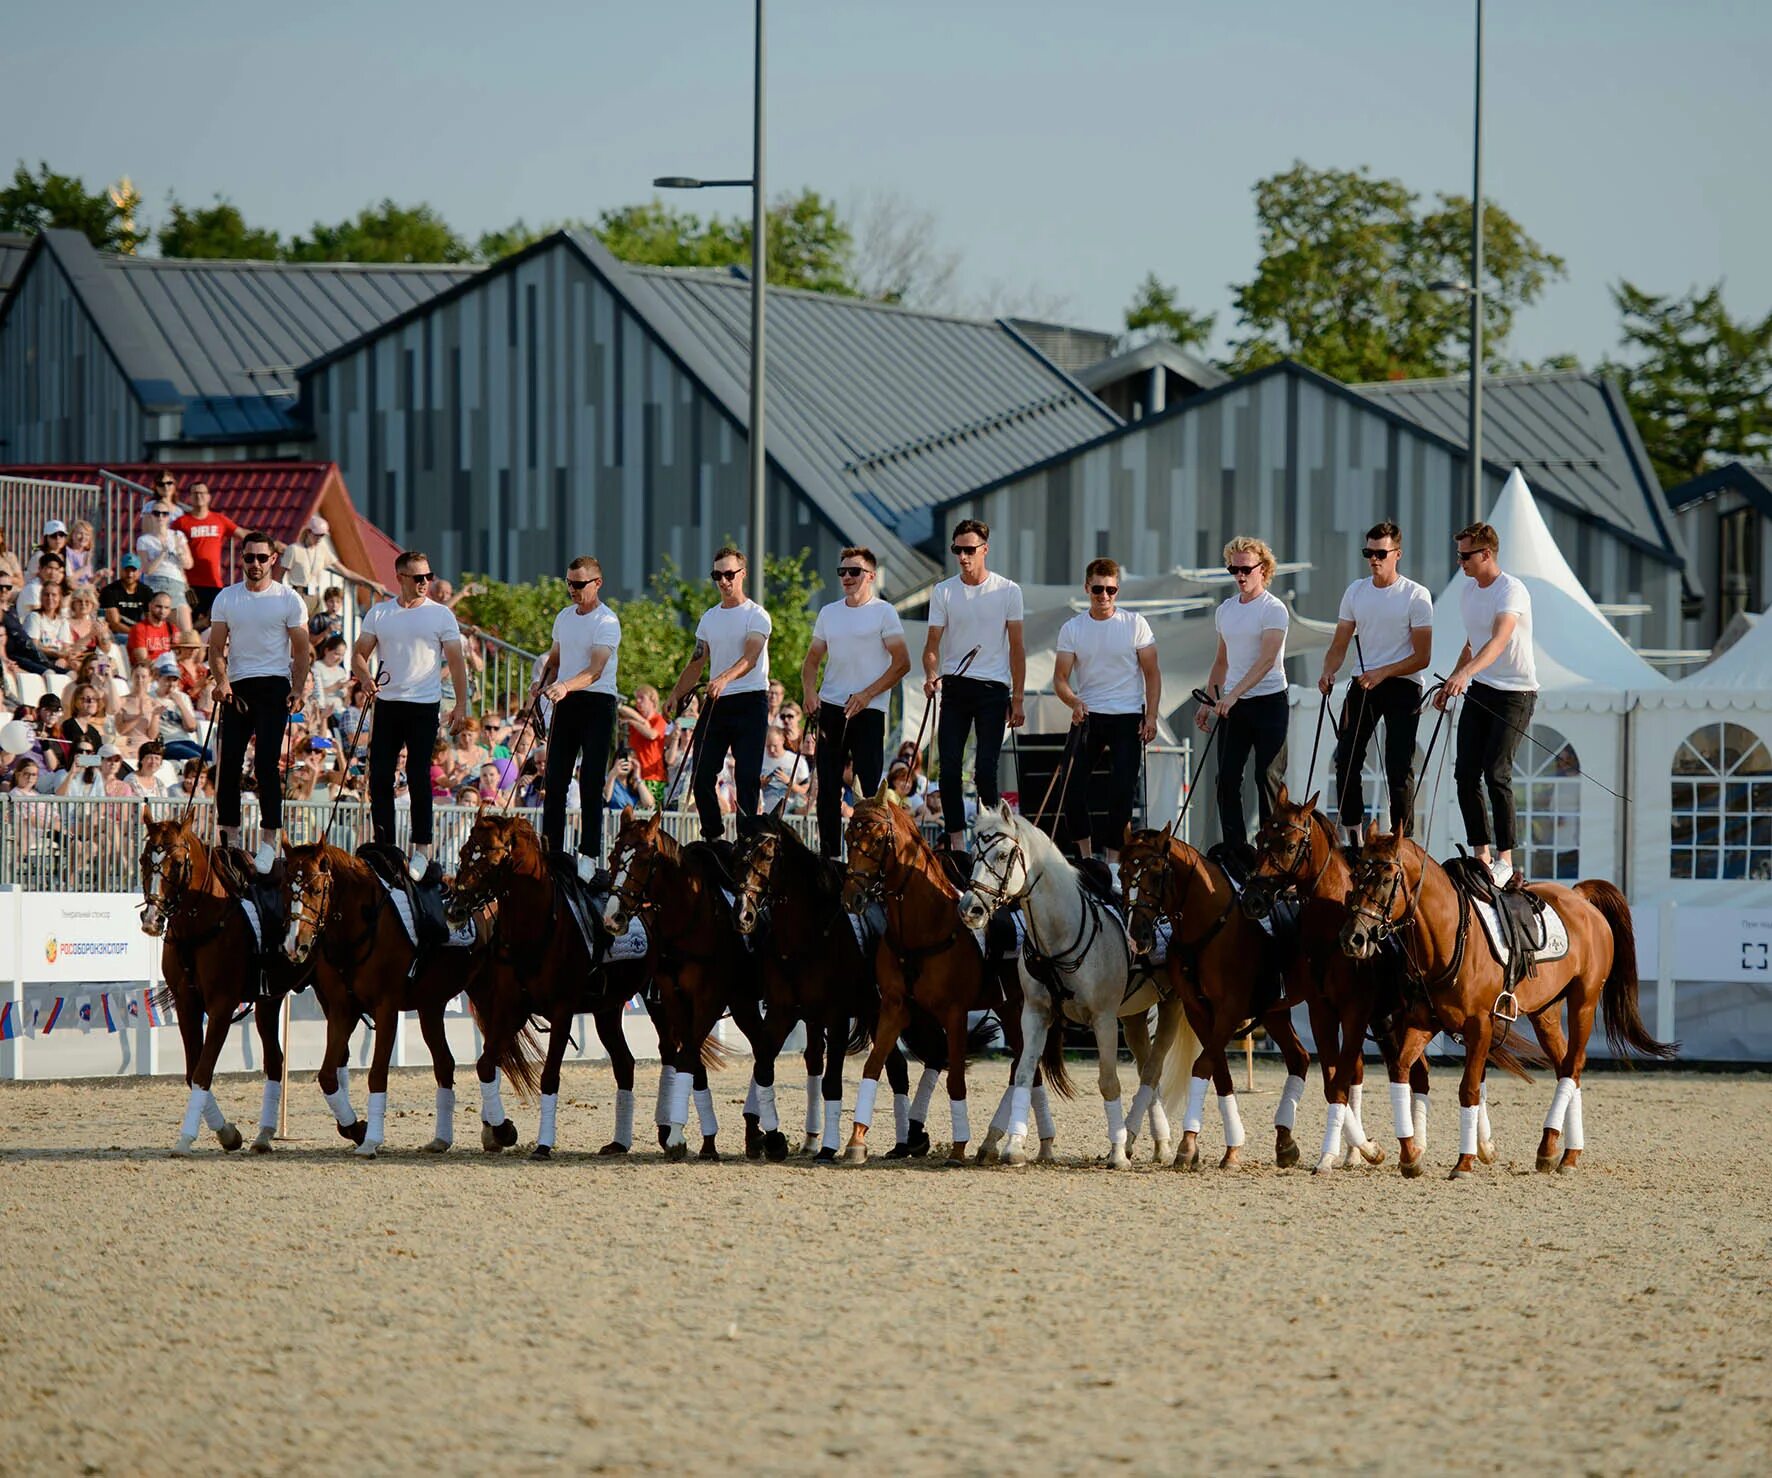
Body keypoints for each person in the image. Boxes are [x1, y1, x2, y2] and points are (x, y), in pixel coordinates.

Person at [354, 549, 469, 880]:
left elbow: (457, 662)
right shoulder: (380, 613)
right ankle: (384, 846)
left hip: (424, 704)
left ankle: (422, 849)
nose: (425, 583)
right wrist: (364, 677)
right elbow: (359, 655)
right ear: (401, 578)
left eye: (429, 577)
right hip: (388, 702)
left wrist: (459, 705)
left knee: (419, 774)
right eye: (418, 577)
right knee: (379, 776)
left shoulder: (440, 614)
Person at [1318, 521, 1434, 845]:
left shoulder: (1415, 595)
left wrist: (1383, 672)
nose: (1374, 559)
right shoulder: (1356, 591)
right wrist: (1328, 672)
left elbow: (1423, 657)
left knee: (1398, 766)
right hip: (1364, 682)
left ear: (1397, 554)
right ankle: (1353, 836)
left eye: (1381, 553)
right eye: (1368, 552)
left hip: (1403, 682)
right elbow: (1339, 645)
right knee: (1346, 759)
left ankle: (1402, 841)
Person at [1437, 521, 1539, 886]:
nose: (1460, 562)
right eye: (1458, 555)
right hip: (1481, 687)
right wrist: (1453, 678)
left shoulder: (1511, 590)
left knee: (1497, 771)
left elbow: (1497, 641)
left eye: (1465, 556)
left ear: (1486, 554)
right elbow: (1472, 643)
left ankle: (1505, 859)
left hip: (1516, 692)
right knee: (1465, 773)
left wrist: (1465, 675)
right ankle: (1480, 854)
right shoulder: (1468, 592)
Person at [209, 530, 312, 873]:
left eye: (261, 558)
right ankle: (230, 840)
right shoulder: (226, 597)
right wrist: (221, 682)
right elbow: (216, 648)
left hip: (274, 686)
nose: (255, 564)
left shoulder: (288, 599)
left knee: (267, 764)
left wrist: (297, 690)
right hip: (238, 687)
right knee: (228, 766)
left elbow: (300, 650)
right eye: (249, 557)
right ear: (242, 560)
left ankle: (270, 841)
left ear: (273, 560)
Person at [922, 518, 1025, 849]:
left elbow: (1017, 647)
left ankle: (993, 838)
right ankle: (956, 844)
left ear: (985, 550)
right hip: (955, 685)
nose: (963, 557)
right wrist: (929, 674)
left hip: (994, 689)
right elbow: (932, 645)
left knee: (984, 770)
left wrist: (1019, 698)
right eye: (957, 550)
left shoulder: (1008, 590)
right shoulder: (944, 591)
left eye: (969, 550)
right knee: (948, 768)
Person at [801, 545, 912, 855]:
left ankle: (866, 857)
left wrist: (867, 694)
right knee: (827, 787)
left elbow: (902, 663)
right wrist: (810, 693)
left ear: (871, 576)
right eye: (842, 571)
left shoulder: (884, 611)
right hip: (832, 706)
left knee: (866, 790)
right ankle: (829, 858)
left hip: (869, 708)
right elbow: (811, 662)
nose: (847, 577)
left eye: (854, 571)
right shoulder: (829, 612)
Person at [1052, 557, 1160, 867]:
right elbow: (1060, 678)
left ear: (1117, 590)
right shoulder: (1073, 628)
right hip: (1089, 714)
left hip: (1127, 715)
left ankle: (1113, 864)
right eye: (1098, 589)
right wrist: (1074, 701)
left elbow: (1152, 673)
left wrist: (1151, 716)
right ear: (1087, 588)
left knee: (1121, 792)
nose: (1104, 596)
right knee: (1071, 787)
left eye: (1110, 590)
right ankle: (1085, 859)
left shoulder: (1135, 623)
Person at [665, 545, 772, 842]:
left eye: (729, 574)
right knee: (700, 776)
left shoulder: (757, 615)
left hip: (750, 700)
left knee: (747, 777)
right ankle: (714, 838)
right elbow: (697, 662)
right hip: (717, 703)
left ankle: (747, 841)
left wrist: (724, 677)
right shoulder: (710, 618)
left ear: (742, 574)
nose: (723, 581)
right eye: (717, 575)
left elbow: (751, 657)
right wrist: (676, 694)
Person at [531, 554, 621, 878]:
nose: (572, 589)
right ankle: (552, 851)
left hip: (596, 702)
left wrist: (564, 686)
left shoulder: (607, 621)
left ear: (597, 583)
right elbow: (555, 658)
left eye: (579, 584)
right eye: (569, 583)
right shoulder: (564, 617)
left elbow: (596, 670)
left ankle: (588, 855)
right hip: (565, 701)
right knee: (554, 780)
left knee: (591, 781)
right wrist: (539, 683)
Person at [1200, 535, 1289, 849]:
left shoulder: (1273, 609)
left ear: (1262, 569)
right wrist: (1211, 698)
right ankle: (1236, 849)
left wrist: (1233, 694)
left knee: (1266, 777)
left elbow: (1267, 660)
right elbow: (1222, 660)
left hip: (1269, 702)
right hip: (1233, 704)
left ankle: (1271, 848)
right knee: (1225, 779)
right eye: (1233, 570)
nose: (1239, 576)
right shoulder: (1225, 610)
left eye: (1245, 569)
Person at [171, 480, 242, 624]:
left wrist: (270, 542)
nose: (199, 496)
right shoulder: (181, 522)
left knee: (215, 620)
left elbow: (241, 533)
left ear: (209, 497)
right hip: (189, 584)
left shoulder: (219, 519)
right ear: (190, 497)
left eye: (202, 493)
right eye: (195, 493)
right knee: (189, 620)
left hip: (213, 582)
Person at [135, 499, 193, 633]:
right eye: (156, 513)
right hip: (155, 583)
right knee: (152, 629)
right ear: (151, 516)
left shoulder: (178, 536)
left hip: (176, 583)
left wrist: (179, 550)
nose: (160, 516)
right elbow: (147, 569)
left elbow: (189, 564)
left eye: (164, 513)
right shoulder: (144, 540)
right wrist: (162, 553)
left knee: (186, 631)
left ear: (169, 516)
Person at [617, 684, 669, 805]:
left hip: (652, 776)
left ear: (653, 701)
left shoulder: (658, 719)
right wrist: (638, 720)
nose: (638, 702)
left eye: (642, 698)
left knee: (650, 815)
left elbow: (651, 734)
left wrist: (632, 721)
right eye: (637, 698)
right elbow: (622, 709)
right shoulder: (637, 721)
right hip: (633, 776)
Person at [150, 655, 205, 760]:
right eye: (167, 679)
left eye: (174, 680)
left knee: (211, 756)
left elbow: (191, 727)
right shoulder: (150, 698)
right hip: (166, 742)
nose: (171, 684)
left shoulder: (182, 698)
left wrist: (180, 704)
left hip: (186, 740)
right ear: (159, 678)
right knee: (197, 758)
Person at [100, 555, 152, 643]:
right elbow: (114, 624)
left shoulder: (146, 591)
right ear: (120, 570)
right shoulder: (109, 591)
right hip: (117, 635)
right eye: (126, 570)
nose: (130, 574)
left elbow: (151, 619)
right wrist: (137, 634)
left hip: (140, 634)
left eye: (133, 570)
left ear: (139, 572)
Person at [281, 516, 331, 607]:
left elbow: (343, 570)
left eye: (322, 535)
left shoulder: (321, 549)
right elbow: (280, 576)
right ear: (308, 532)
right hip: (298, 594)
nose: (319, 538)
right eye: (317, 535)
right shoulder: (293, 549)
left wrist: (362, 581)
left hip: (315, 595)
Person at [128, 591, 177, 669]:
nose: (162, 611)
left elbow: (178, 654)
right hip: (147, 673)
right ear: (150, 606)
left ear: (170, 610)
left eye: (166, 607)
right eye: (159, 606)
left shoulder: (173, 629)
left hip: (169, 672)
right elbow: (143, 660)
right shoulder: (139, 628)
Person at [64, 519, 99, 587]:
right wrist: (85, 567)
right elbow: (70, 579)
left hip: (85, 590)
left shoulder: (86, 554)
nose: (83, 537)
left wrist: (99, 575)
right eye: (80, 533)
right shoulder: (67, 552)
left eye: (87, 534)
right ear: (72, 536)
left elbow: (88, 580)